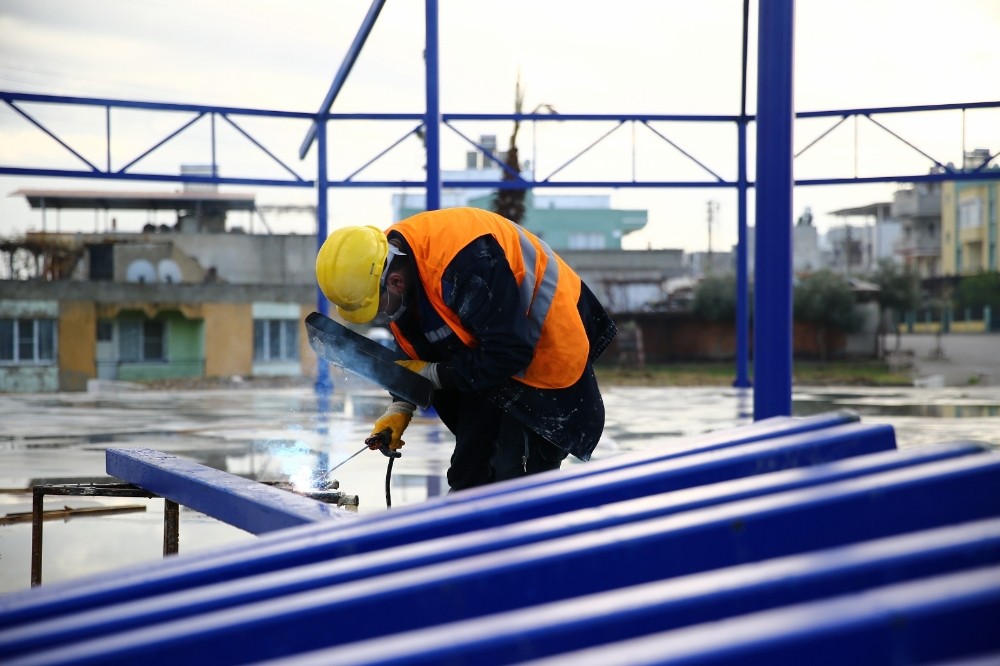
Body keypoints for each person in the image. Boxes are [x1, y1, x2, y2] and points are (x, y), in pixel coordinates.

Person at [315, 207, 616, 491]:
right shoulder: (385, 265)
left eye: (378, 309)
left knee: (513, 476)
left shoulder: (465, 265)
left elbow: (508, 351)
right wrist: (401, 406)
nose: (382, 318)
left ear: (394, 282)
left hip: (544, 357)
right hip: (489, 364)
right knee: (469, 474)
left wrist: (433, 374)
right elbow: (416, 341)